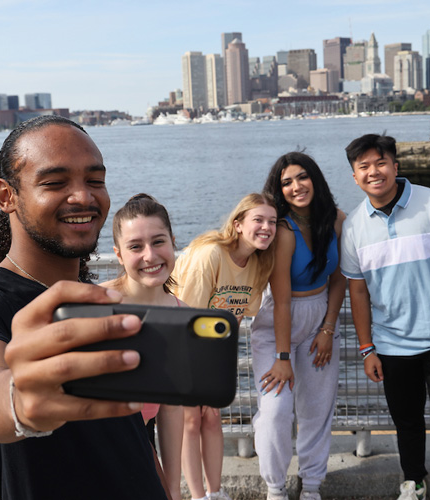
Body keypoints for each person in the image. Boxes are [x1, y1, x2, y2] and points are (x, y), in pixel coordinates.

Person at [0, 115, 168, 499]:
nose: (83, 196)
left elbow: (135, 436)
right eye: (55, 183)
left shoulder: (95, 302)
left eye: (95, 180)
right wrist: (18, 401)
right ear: (6, 196)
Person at [340, 133, 430, 500]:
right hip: (391, 344)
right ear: (354, 176)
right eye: (363, 167)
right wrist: (368, 348)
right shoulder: (353, 227)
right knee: (407, 421)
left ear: (395, 167)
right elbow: (357, 291)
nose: (374, 172)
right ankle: (413, 481)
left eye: (380, 163)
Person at [252, 152, 347, 500]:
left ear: (315, 179)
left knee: (316, 409)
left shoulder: (336, 220)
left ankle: (311, 486)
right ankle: (275, 486)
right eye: (286, 182)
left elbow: (340, 278)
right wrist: (282, 355)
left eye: (302, 177)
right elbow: (280, 299)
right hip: (279, 321)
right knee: (276, 410)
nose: (296, 187)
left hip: (321, 315)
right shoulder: (283, 229)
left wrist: (327, 328)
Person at [172, 193, 278, 500]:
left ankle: (215, 492)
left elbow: (239, 314)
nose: (266, 227)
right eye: (258, 220)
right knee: (191, 420)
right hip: (182, 344)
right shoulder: (211, 255)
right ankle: (197, 495)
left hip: (216, 348)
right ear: (238, 224)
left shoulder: (259, 263)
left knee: (213, 417)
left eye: (272, 221)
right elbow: (187, 315)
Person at [101, 193, 186, 500]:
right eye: (136, 246)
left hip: (140, 440)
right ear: (119, 255)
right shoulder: (95, 304)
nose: (150, 256)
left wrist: (173, 488)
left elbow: (172, 409)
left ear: (173, 242)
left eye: (158, 241)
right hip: (94, 446)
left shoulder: (181, 315)